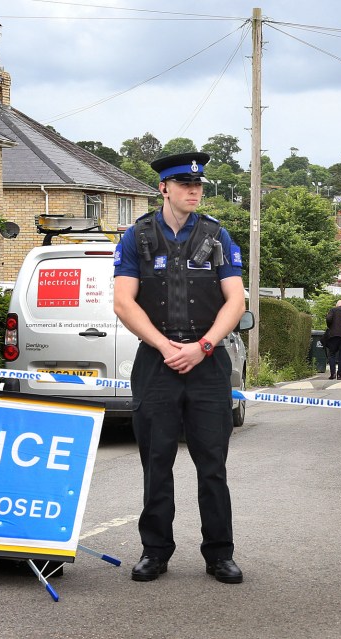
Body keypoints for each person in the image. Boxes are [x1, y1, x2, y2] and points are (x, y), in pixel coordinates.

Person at [113, 152, 246, 585]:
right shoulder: (137, 237)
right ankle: (155, 551)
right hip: (156, 362)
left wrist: (204, 346)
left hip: (208, 364)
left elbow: (235, 301)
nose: (194, 191)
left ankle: (219, 554)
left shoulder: (216, 235)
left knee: (213, 464)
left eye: (199, 186)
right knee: (156, 461)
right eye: (185, 184)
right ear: (163, 188)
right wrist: (163, 345)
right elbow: (123, 301)